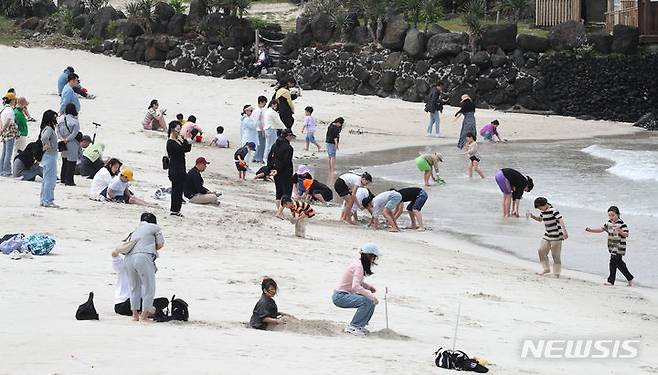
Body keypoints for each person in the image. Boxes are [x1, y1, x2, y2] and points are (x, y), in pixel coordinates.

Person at [332, 243, 382, 336]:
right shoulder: (359, 266)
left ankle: (360, 326)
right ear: (369, 256)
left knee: (369, 301)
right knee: (367, 301)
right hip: (340, 296)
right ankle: (354, 326)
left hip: (344, 294)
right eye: (374, 257)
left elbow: (358, 282)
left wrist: (369, 287)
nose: (374, 260)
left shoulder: (358, 263)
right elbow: (356, 286)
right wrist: (370, 295)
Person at [124, 212, 165, 321]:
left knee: (134, 287)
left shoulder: (134, 231)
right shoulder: (155, 228)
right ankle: (144, 316)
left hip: (128, 259)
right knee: (149, 287)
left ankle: (134, 315)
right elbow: (160, 244)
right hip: (143, 257)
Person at [585, 206, 633, 287]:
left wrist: (620, 231)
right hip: (612, 246)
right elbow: (601, 229)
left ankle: (611, 281)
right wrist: (590, 230)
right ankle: (630, 278)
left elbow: (626, 234)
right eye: (610, 215)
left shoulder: (621, 224)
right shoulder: (608, 223)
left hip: (619, 247)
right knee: (619, 264)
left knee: (612, 262)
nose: (611, 217)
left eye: (613, 215)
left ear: (618, 214)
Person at [527, 197, 568, 278]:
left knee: (555, 255)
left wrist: (565, 232)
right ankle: (546, 269)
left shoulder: (553, 210)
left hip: (556, 236)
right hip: (547, 234)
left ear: (544, 205)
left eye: (539, 207)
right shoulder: (543, 211)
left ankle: (556, 273)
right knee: (541, 251)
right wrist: (532, 216)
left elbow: (561, 220)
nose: (539, 209)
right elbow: (540, 219)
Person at [166, 121, 192, 217]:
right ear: (172, 129)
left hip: (181, 168)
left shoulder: (177, 140)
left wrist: (187, 139)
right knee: (176, 190)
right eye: (178, 128)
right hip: (175, 169)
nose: (179, 130)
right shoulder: (170, 142)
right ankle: (174, 210)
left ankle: (177, 210)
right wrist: (185, 139)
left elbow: (186, 149)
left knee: (179, 190)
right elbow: (181, 150)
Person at [270, 129, 295, 218]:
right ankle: (279, 212)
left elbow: (270, 157)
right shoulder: (289, 148)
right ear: (288, 136)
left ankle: (279, 212)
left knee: (278, 192)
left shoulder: (274, 145)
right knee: (287, 192)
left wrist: (271, 169)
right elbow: (286, 161)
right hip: (285, 172)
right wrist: (278, 170)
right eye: (291, 136)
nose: (291, 138)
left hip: (275, 171)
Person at [56, 103, 81, 186]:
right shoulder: (75, 121)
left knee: (64, 162)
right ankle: (69, 180)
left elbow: (57, 131)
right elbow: (74, 133)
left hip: (62, 142)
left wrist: (62, 139)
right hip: (72, 143)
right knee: (71, 163)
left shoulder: (60, 120)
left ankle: (63, 178)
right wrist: (68, 139)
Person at [39, 110, 59, 208]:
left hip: (48, 155)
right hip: (50, 155)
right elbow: (44, 138)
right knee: (50, 179)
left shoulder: (47, 128)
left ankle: (44, 199)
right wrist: (48, 145)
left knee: (46, 178)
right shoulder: (49, 129)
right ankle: (48, 200)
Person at [0, 95, 18, 177]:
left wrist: (2, 129)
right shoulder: (10, 110)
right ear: (12, 100)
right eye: (14, 100)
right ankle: (6, 171)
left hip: (4, 132)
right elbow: (8, 120)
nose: (15, 101)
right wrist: (4, 128)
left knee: (4, 153)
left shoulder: (3, 109)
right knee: (8, 153)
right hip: (9, 132)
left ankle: (1, 169)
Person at [252, 96, 268, 162]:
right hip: (259, 129)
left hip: (256, 129)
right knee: (261, 145)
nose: (265, 105)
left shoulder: (255, 110)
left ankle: (256, 157)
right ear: (261, 102)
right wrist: (263, 131)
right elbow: (260, 121)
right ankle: (259, 158)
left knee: (258, 144)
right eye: (264, 103)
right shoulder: (259, 111)